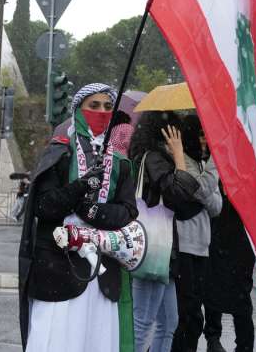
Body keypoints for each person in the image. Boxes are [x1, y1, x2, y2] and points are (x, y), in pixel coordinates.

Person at [18, 83, 138, 352]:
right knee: (58, 341)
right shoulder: (60, 152)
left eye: (108, 107)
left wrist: (93, 212)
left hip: (103, 273)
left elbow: (128, 211)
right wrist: (82, 186)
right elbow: (43, 206)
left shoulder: (119, 162)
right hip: (59, 272)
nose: (102, 112)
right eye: (93, 106)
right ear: (78, 110)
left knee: (98, 341)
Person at [129, 111, 205, 352]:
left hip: (162, 254)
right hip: (154, 251)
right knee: (144, 323)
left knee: (168, 322)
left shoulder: (153, 158)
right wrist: (180, 157)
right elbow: (178, 194)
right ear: (168, 133)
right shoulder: (153, 158)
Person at [171, 115, 222, 352]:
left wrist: (202, 191)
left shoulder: (200, 165)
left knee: (194, 314)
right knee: (187, 315)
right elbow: (202, 190)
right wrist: (216, 163)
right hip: (183, 246)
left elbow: (216, 205)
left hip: (202, 246)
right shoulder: (182, 163)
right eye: (201, 135)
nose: (205, 141)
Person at [202, 179, 256, 352]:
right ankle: (213, 338)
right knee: (212, 290)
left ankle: (243, 345)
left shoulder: (245, 171)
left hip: (240, 240)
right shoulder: (213, 165)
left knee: (242, 301)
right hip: (216, 234)